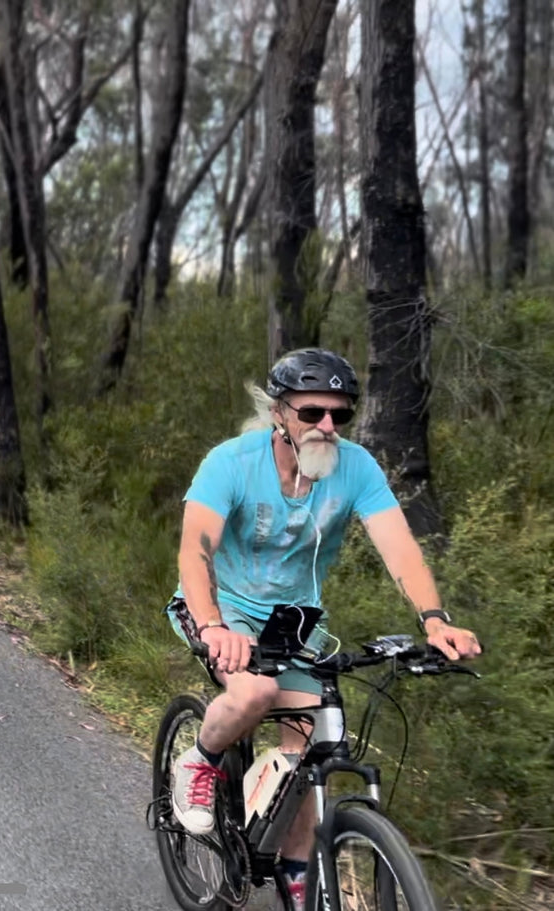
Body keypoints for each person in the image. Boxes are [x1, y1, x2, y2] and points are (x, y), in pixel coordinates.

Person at [164, 348, 481, 907]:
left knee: (318, 740)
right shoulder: (231, 462)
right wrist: (214, 626)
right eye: (312, 413)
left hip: (296, 621)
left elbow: (401, 550)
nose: (328, 426)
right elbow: (196, 550)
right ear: (279, 413)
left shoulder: (355, 467)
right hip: (221, 605)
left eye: (341, 414)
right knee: (256, 691)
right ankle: (201, 761)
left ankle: (294, 869)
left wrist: (435, 621)